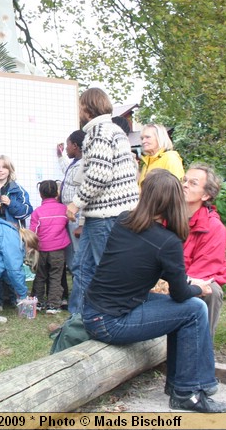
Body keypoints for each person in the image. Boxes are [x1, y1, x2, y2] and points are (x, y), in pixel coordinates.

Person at [84, 169, 226, 413]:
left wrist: (184, 281)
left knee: (183, 311)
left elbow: (141, 263)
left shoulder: (123, 220)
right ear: (173, 202)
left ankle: (179, 386)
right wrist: (198, 287)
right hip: (111, 321)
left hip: (93, 311)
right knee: (194, 308)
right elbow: (182, 294)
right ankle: (188, 392)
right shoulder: (167, 242)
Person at [66, 88, 139, 314]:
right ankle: (77, 323)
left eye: (80, 105)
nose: (78, 110)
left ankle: (116, 319)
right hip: (102, 216)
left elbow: (99, 174)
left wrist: (76, 202)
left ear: (87, 108)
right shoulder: (114, 130)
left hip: (107, 216)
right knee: (82, 266)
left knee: (104, 271)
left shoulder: (98, 131)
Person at [182, 164, 226, 339]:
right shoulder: (166, 217)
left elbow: (201, 273)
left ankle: (201, 350)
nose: (185, 185)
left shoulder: (214, 228)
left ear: (206, 195)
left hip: (187, 281)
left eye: (193, 183)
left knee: (212, 290)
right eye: (184, 180)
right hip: (163, 279)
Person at [29, 180, 71, 314]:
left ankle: (38, 302)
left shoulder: (37, 212)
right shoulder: (64, 209)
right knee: (55, 277)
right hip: (58, 250)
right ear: (57, 193)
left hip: (41, 250)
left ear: (41, 194)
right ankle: (53, 305)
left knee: (40, 276)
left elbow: (33, 233)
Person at [57, 129, 86, 305]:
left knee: (77, 256)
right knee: (71, 256)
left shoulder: (85, 164)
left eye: (68, 145)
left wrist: (82, 223)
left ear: (75, 146)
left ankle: (80, 296)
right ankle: (76, 295)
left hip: (78, 216)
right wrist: (60, 156)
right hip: (69, 216)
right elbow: (66, 173)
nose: (67, 148)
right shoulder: (74, 163)